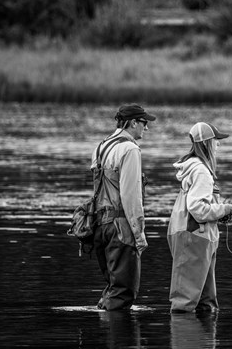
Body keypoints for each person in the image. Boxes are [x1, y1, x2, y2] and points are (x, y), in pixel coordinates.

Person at [167, 122, 232, 313]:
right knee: (184, 303)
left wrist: (220, 213)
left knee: (206, 303)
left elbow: (198, 206)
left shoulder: (196, 168)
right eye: (216, 141)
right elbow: (197, 209)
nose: (219, 145)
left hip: (196, 237)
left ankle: (205, 340)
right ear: (207, 143)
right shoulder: (201, 170)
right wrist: (226, 208)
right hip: (194, 238)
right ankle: (186, 338)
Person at [91, 103, 156, 310]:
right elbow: (130, 196)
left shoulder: (100, 146)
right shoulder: (130, 149)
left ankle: (106, 331)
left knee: (112, 288)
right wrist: (139, 235)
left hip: (100, 226)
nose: (147, 128)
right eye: (144, 123)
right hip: (120, 227)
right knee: (123, 292)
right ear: (133, 123)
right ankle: (121, 339)